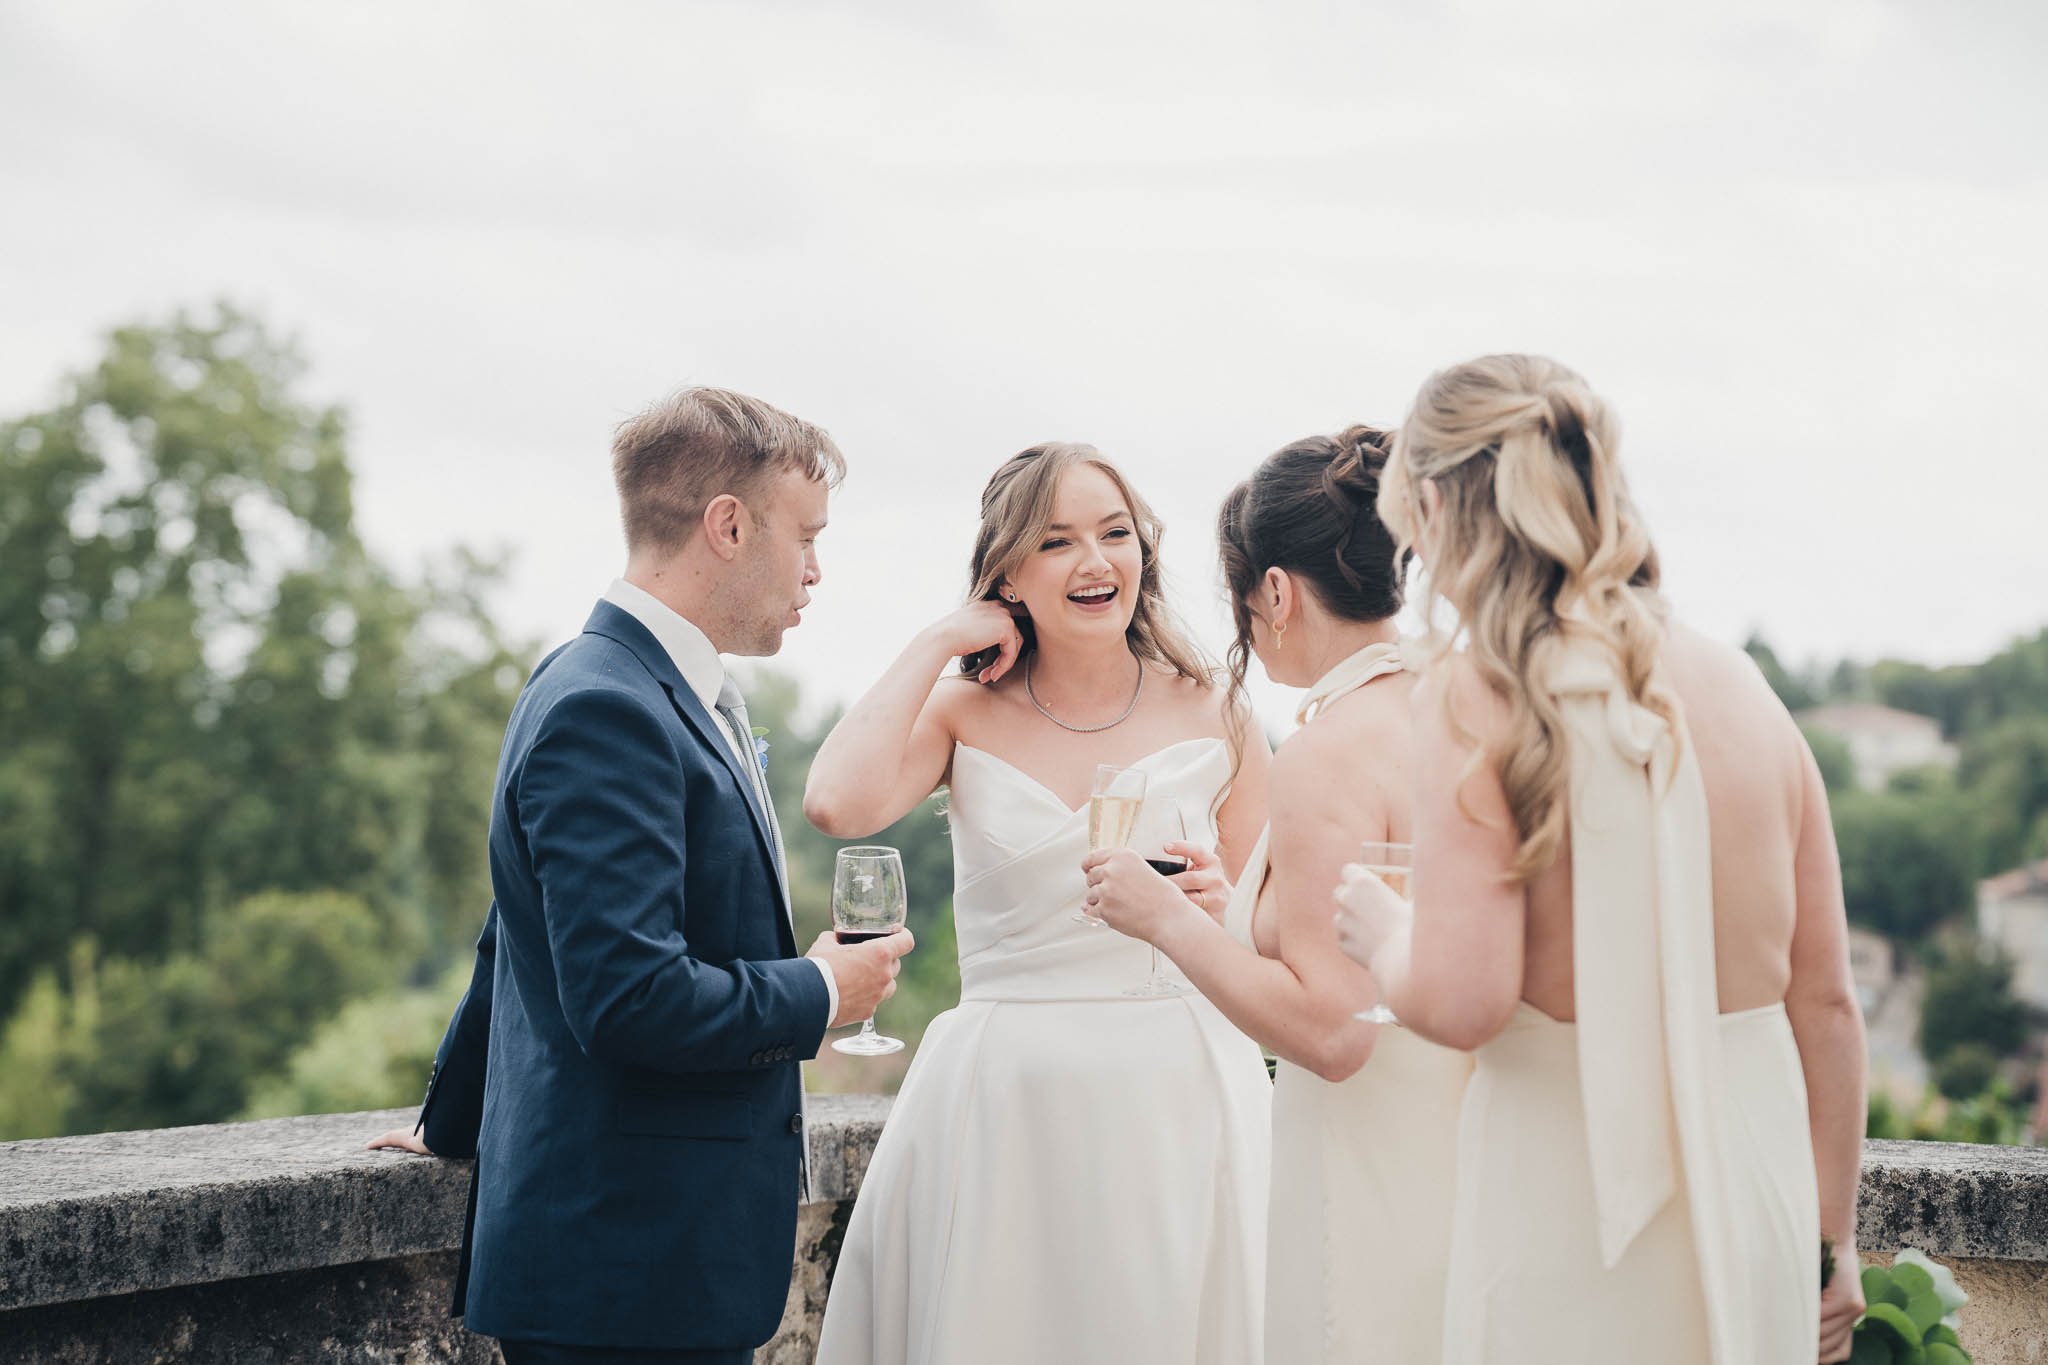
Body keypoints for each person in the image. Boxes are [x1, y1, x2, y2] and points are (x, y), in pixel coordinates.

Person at [1334, 355, 1868, 1364]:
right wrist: (1829, 1242)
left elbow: (1462, 1000)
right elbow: (1827, 1003)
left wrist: (1384, 933)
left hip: (1569, 1188)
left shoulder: (1475, 693)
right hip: (1754, 1188)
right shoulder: (1739, 685)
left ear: (1438, 501)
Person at [366, 387, 913, 1365]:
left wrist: (449, 1123)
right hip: (621, 1283)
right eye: (805, 537)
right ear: (728, 525)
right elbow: (627, 998)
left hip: (653, 1274)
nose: (817, 571)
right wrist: (827, 987)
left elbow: (513, 932)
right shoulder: (605, 707)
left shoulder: (640, 689)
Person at [804, 442, 1273, 1365]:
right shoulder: (961, 711)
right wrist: (941, 638)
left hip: (1179, 1103)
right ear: (1009, 570)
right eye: (1058, 541)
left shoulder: (1220, 710)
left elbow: (1277, 937)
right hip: (1002, 1107)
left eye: (1116, 533)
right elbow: (836, 801)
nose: (1097, 561)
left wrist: (1225, 908)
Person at [1083, 425, 1471, 1363]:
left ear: (1276, 592)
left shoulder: (1330, 753)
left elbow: (1335, 1031)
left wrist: (1167, 918)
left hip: (1368, 1164)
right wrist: (1241, 912)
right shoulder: (1464, 706)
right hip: (1462, 1149)